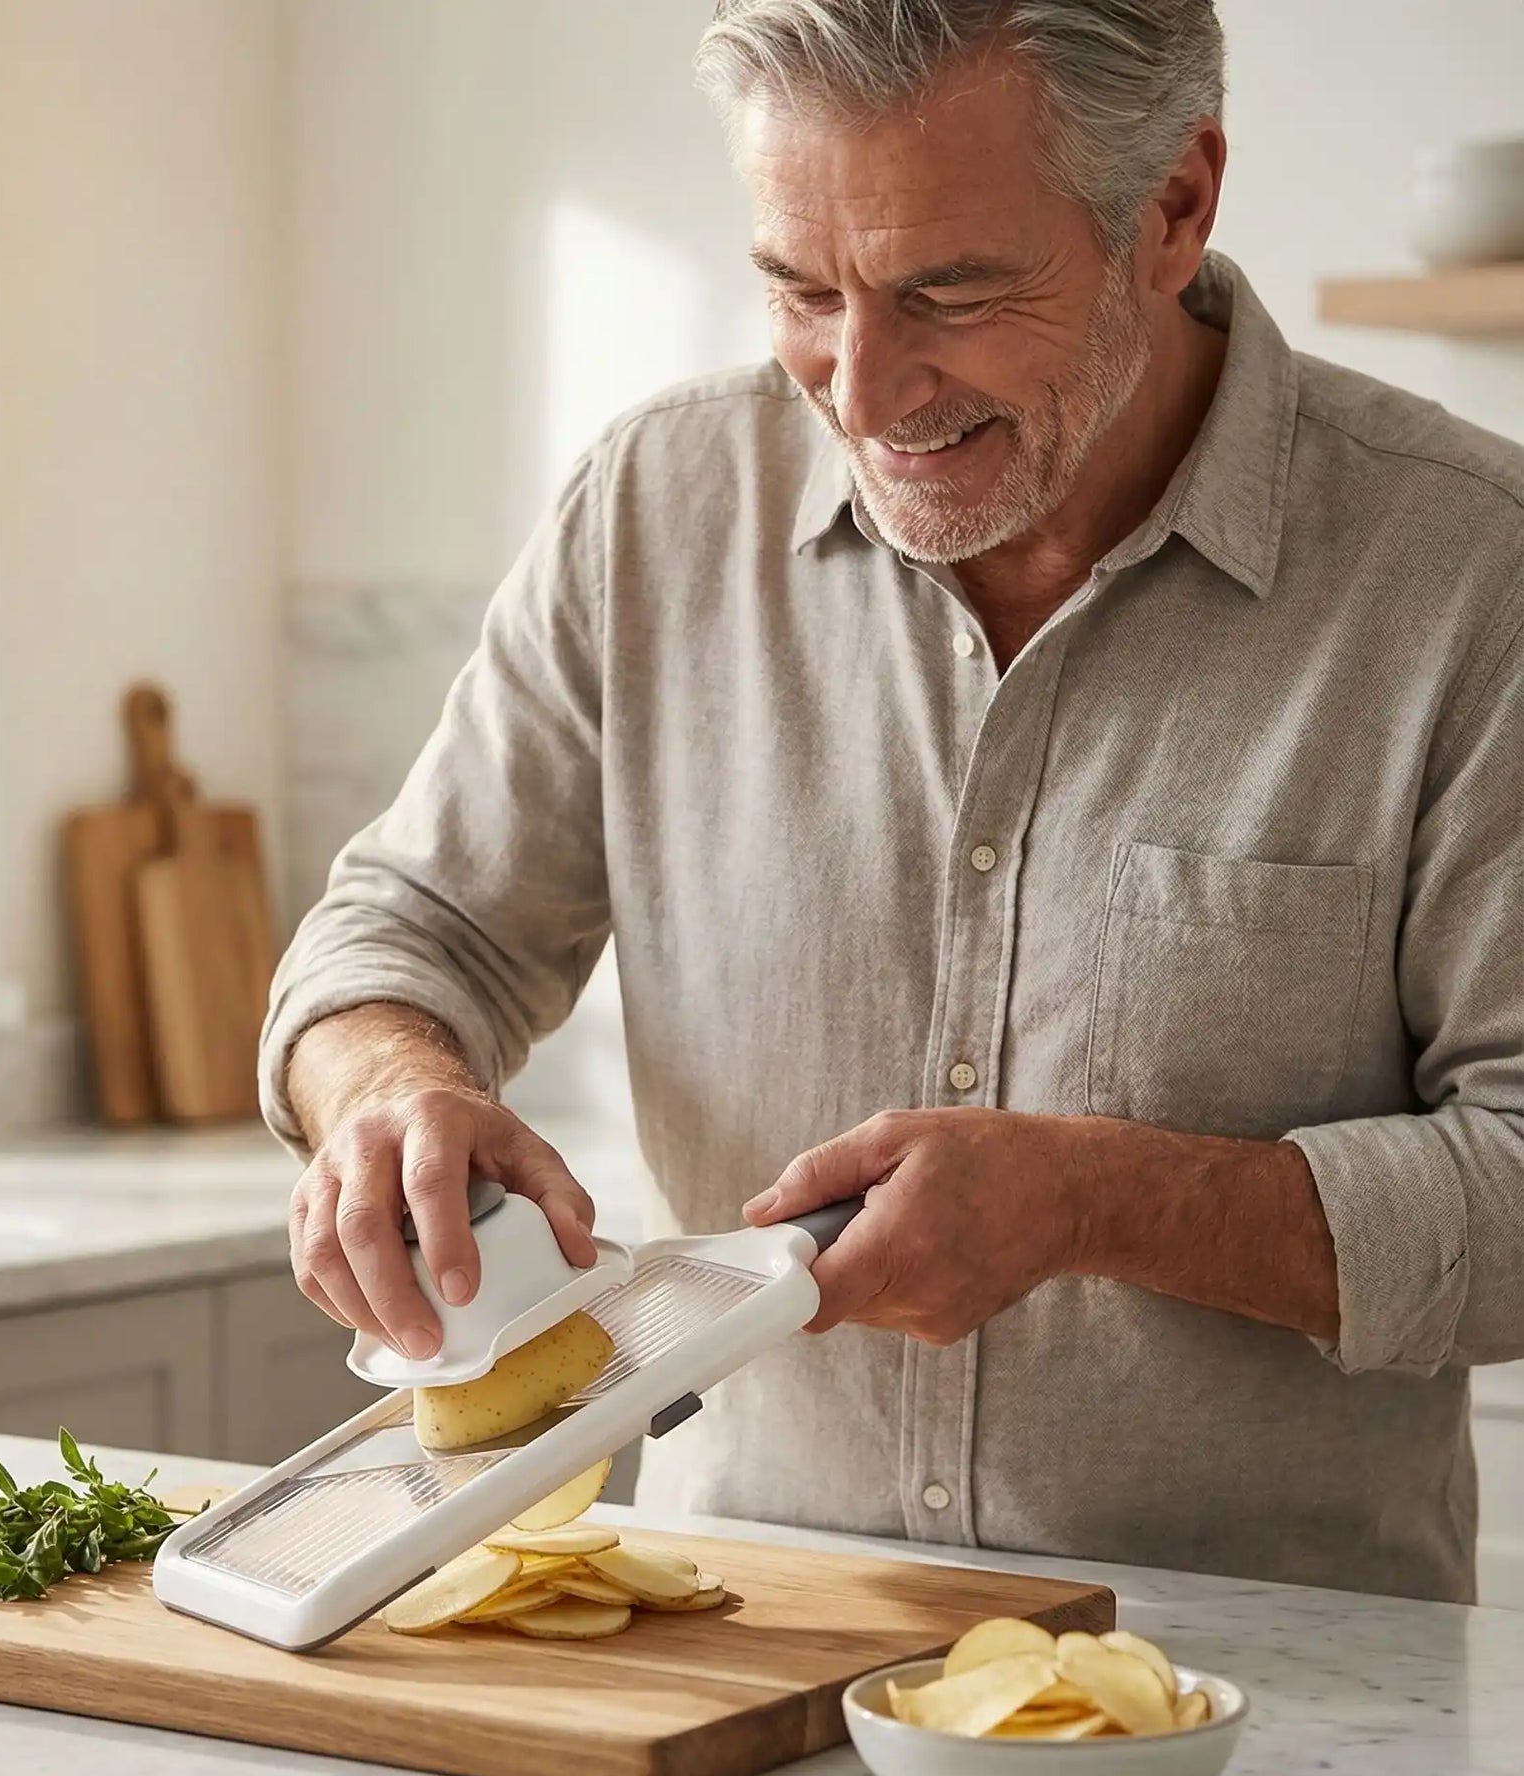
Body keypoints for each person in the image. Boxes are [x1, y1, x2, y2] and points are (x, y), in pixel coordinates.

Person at [261, 0, 1524, 1601]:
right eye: (798, 288)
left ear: (1175, 206)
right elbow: (404, 929)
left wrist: (1095, 1200)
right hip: (728, 1637)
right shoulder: (654, 508)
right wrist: (379, 1085)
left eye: (951, 291)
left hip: (1270, 1713)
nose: (860, 389)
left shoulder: (1471, 574)